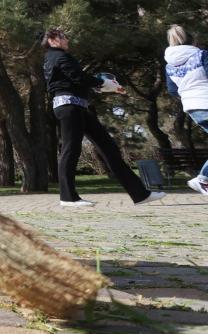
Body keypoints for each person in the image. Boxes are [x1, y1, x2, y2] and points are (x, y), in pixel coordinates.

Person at [42, 29, 164, 208]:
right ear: (52, 40)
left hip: (78, 107)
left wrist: (102, 86)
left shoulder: (53, 58)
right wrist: (102, 83)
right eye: (63, 37)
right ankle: (68, 197)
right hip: (69, 108)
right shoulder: (59, 57)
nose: (67, 39)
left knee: (109, 148)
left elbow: (75, 80)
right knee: (70, 151)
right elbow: (78, 77)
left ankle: (140, 194)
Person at [163, 24, 208, 195]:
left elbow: (172, 90)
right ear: (193, 41)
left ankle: (203, 179)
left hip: (192, 106)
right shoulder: (201, 55)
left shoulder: (169, 65)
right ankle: (202, 178)